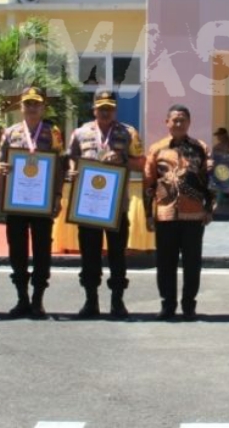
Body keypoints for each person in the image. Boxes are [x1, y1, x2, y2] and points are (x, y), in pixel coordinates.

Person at [69, 90, 144, 319]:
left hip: (116, 206)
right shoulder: (80, 133)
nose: (105, 112)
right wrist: (72, 170)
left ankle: (117, 302)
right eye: (101, 108)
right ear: (94, 109)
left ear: (115, 110)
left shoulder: (128, 132)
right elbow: (71, 158)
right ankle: (91, 301)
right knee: (89, 256)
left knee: (117, 256)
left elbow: (141, 163)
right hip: (88, 206)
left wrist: (123, 160)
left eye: (109, 108)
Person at [0, 86, 65, 318]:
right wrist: (0, 167)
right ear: (21, 107)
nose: (32, 107)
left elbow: (59, 167)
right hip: (16, 202)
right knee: (17, 250)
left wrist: (57, 196)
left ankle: (38, 299)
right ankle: (22, 297)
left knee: (42, 251)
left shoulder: (52, 132)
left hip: (42, 204)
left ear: (43, 107)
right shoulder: (10, 133)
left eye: (36, 103)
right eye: (28, 103)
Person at [143, 104, 212, 320]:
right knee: (165, 263)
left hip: (193, 215)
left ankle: (189, 305)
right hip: (165, 215)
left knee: (192, 263)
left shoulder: (200, 148)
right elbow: (148, 183)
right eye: (175, 120)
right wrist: (148, 214)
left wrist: (209, 209)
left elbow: (210, 182)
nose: (179, 123)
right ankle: (168, 305)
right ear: (167, 123)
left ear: (189, 123)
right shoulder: (157, 149)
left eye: (183, 120)